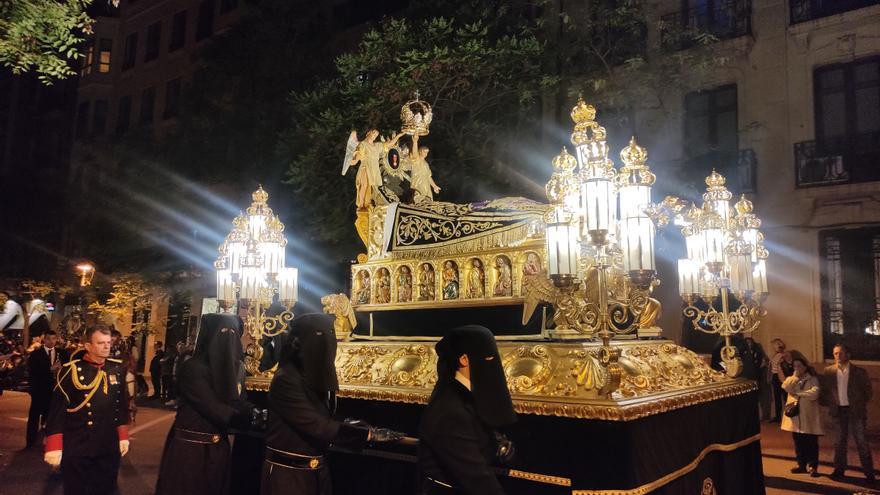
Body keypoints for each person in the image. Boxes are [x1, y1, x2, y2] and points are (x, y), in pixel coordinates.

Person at [261, 313, 403, 495]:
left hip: (317, 473)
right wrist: (368, 435)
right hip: (288, 477)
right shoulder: (286, 379)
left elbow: (324, 415)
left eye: (330, 335)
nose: (327, 343)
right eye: (320, 336)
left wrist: (352, 424)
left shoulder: (312, 375)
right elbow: (316, 425)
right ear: (299, 342)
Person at [155, 313, 259, 495]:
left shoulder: (233, 370)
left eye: (233, 333)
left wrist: (258, 413)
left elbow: (237, 400)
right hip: (190, 451)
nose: (229, 338)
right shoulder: (192, 368)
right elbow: (215, 408)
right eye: (224, 332)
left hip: (218, 450)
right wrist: (250, 417)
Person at [418, 325, 517, 494]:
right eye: (488, 358)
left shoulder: (468, 396)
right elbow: (478, 480)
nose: (492, 364)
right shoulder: (450, 410)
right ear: (464, 359)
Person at [44, 325, 130, 495]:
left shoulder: (117, 369)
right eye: (101, 343)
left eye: (108, 342)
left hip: (107, 446)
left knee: (106, 489)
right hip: (78, 446)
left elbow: (121, 406)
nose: (107, 346)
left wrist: (122, 436)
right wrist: (54, 446)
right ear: (88, 346)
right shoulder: (71, 371)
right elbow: (57, 412)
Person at [821, 343, 875, 484]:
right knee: (839, 442)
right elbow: (825, 391)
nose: (838, 356)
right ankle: (839, 470)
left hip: (855, 411)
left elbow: (868, 392)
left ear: (848, 354)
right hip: (838, 411)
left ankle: (869, 473)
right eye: (835, 353)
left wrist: (857, 403)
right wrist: (831, 404)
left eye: (840, 353)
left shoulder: (859, 372)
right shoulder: (829, 371)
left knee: (861, 442)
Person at [781, 356, 822, 477]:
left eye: (799, 366)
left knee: (811, 442)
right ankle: (801, 464)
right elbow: (785, 387)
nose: (797, 368)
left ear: (805, 366)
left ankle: (812, 466)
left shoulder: (812, 379)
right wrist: (794, 376)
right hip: (796, 417)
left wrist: (799, 393)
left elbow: (814, 393)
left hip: (808, 416)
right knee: (798, 442)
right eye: (795, 366)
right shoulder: (791, 379)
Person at [27, 330, 67, 448]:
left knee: (50, 417)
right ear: (44, 339)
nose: (51, 341)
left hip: (55, 391)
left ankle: (47, 441)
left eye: (54, 339)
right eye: (49, 338)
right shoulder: (36, 354)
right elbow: (32, 371)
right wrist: (50, 369)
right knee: (34, 416)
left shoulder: (62, 353)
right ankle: (30, 442)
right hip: (39, 390)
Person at [744, 335, 771, 421]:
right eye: (747, 343)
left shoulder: (758, 351)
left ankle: (765, 415)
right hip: (749, 377)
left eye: (750, 342)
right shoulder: (743, 353)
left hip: (759, 376)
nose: (749, 344)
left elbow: (765, 360)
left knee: (763, 397)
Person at [769, 339, 793, 423]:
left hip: (782, 376)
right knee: (777, 398)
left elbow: (789, 364)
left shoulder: (785, 354)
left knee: (786, 397)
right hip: (775, 377)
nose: (773, 347)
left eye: (774, 345)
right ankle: (778, 417)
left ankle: (789, 416)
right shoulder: (775, 355)